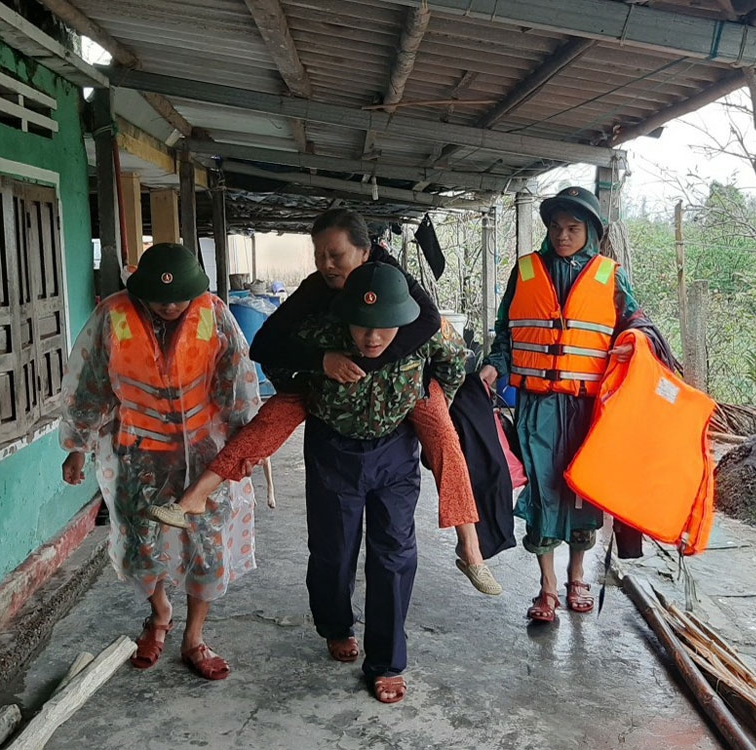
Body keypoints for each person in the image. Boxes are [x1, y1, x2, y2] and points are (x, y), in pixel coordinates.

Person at [158, 209, 501, 596]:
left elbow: (437, 334)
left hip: (405, 388)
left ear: (365, 251)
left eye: (335, 255)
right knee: (269, 424)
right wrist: (315, 367)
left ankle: (470, 548)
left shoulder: (394, 282)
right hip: (325, 388)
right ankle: (196, 495)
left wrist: (416, 386)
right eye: (319, 255)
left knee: (444, 437)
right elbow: (268, 346)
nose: (326, 264)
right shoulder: (318, 295)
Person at [59, 243, 260, 679]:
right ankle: (160, 614)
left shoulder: (215, 314)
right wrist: (78, 445)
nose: (169, 305)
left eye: (178, 297)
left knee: (206, 548)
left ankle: (194, 637)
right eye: (159, 297)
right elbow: (89, 384)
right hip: (140, 456)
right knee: (141, 546)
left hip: (206, 459)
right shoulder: (113, 317)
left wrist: (246, 446)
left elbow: (238, 382)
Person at [479, 186, 669, 621]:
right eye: (555, 227)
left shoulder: (610, 275)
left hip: (587, 410)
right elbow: (507, 330)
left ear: (591, 231)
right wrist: (495, 364)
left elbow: (636, 324)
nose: (562, 235)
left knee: (583, 492)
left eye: (572, 228)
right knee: (544, 493)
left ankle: (576, 577)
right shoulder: (526, 271)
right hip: (537, 407)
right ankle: (546, 588)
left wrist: (635, 340)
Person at [300, 262, 466, 703]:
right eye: (362, 326)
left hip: (395, 451)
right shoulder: (321, 331)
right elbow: (278, 359)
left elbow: (456, 364)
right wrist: (320, 365)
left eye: (384, 328)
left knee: (394, 552)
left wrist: (428, 406)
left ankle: (387, 661)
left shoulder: (430, 331)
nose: (372, 338)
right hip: (332, 449)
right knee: (334, 549)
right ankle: (336, 625)